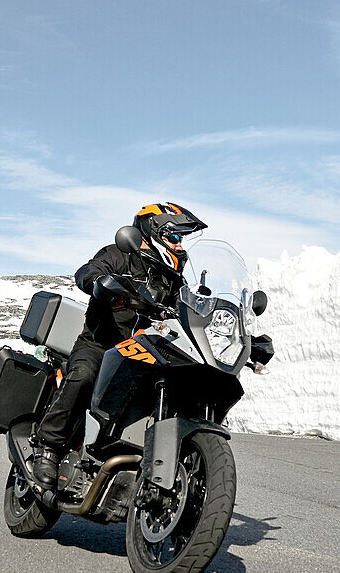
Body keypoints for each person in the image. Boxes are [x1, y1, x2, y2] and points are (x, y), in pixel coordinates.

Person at [31, 202, 208, 489]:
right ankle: (48, 446)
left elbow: (187, 312)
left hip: (146, 353)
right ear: (153, 232)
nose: (179, 246)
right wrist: (98, 281)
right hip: (101, 344)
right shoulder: (119, 254)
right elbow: (88, 271)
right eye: (174, 237)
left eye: (181, 240)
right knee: (85, 374)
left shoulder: (174, 279)